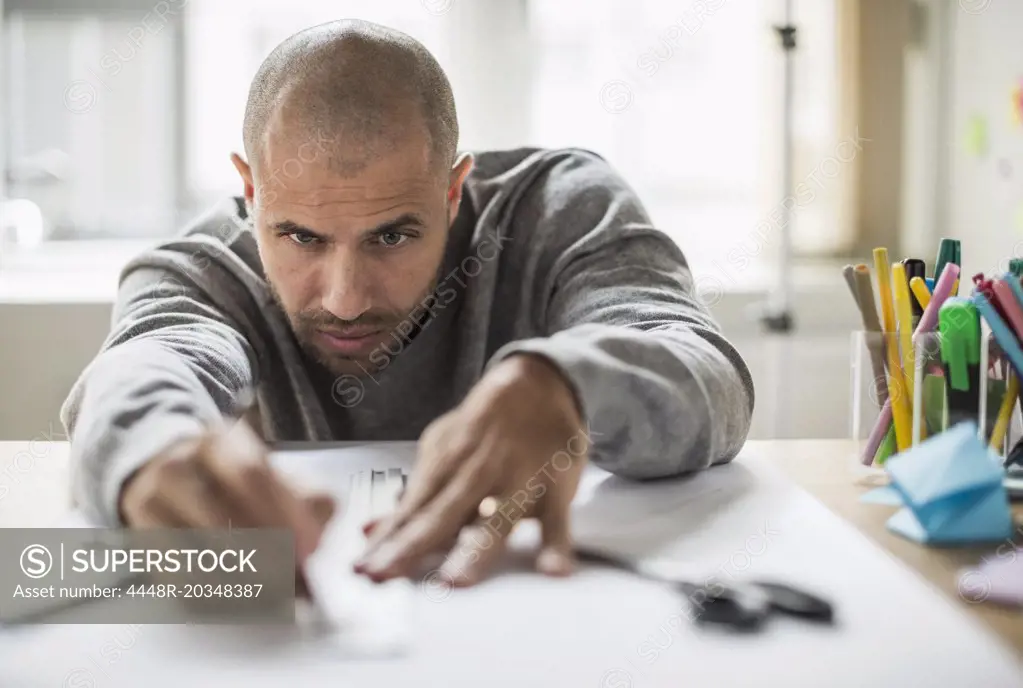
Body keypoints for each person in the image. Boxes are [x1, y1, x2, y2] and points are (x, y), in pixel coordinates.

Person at [61, 19, 754, 589]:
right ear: (250, 191)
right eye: (299, 236)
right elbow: (143, 365)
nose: (344, 298)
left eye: (392, 234)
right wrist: (152, 450)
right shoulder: (204, 271)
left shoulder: (558, 208)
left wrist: (568, 380)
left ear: (453, 191)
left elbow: (709, 375)